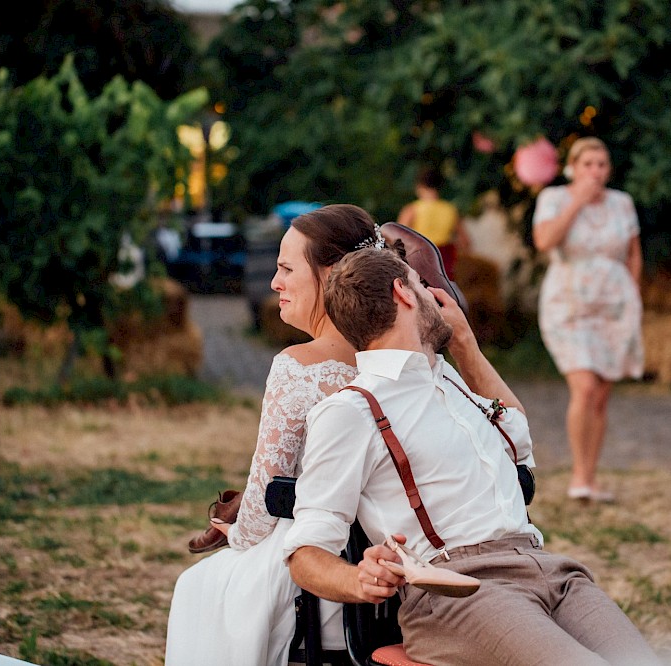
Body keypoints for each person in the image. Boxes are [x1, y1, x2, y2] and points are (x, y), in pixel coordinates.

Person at [283, 247, 660, 665]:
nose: (437, 296)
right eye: (422, 285)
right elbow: (304, 552)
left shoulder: (450, 380)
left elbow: (517, 438)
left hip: (548, 569)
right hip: (456, 590)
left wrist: (466, 347)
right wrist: (358, 579)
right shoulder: (351, 410)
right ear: (403, 293)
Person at [165, 205, 493, 665]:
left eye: (285, 268)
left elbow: (263, 511)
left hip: (331, 583)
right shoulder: (423, 363)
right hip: (421, 564)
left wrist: (233, 529)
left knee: (197, 587)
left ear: (333, 274)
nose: (275, 283)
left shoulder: (297, 367)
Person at [531, 136, 643, 503]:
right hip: (569, 304)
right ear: (573, 168)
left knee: (600, 396)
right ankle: (578, 477)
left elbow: (633, 254)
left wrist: (633, 299)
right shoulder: (554, 199)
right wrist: (577, 201)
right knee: (584, 387)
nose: (596, 171)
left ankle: (591, 477)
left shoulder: (622, 203)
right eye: (588, 164)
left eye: (602, 164)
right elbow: (545, 242)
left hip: (613, 305)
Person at [396, 165, 468, 279]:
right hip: (445, 263)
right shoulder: (450, 210)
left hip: (421, 262)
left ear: (419, 186)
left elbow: (397, 240)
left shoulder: (412, 210)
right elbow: (465, 242)